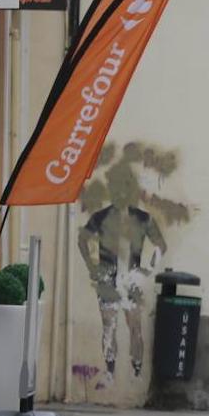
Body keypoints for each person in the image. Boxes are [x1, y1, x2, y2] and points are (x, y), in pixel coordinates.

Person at [78, 161, 167, 380]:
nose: (121, 192)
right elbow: (82, 239)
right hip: (108, 279)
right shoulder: (101, 217)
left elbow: (160, 245)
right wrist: (92, 267)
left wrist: (147, 269)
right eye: (117, 187)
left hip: (132, 281)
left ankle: (136, 366)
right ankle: (110, 369)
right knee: (109, 327)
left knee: (135, 327)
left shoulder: (144, 219)